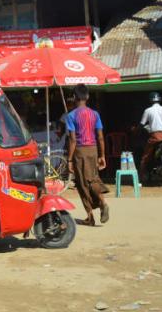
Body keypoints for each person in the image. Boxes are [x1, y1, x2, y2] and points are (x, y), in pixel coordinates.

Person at [66, 84, 109, 226]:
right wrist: (102, 155)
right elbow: (100, 136)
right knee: (93, 178)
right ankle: (100, 205)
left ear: (74, 97)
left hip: (80, 151)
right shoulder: (95, 114)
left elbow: (72, 140)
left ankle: (92, 214)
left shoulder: (71, 116)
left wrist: (70, 159)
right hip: (93, 149)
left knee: (83, 184)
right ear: (87, 96)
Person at [139, 92, 162, 181]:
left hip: (155, 137)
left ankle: (141, 176)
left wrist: (143, 129)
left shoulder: (148, 110)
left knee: (145, 156)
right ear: (159, 99)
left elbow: (142, 124)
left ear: (150, 100)